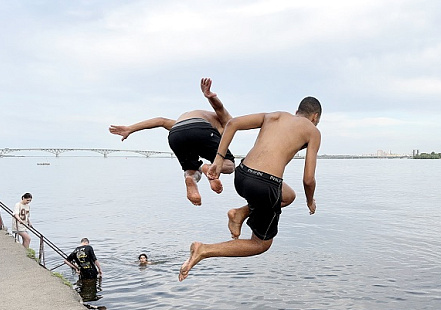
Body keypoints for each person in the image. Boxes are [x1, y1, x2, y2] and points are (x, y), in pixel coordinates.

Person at [179, 97, 322, 281]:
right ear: (315, 117)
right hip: (264, 185)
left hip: (242, 175)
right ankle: (204, 250)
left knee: (288, 196)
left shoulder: (274, 115)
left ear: (297, 111)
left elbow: (232, 123)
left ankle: (239, 213)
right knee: (260, 244)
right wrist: (310, 201)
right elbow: (309, 179)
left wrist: (219, 159)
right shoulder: (313, 131)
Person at [109, 78, 236, 206]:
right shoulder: (229, 123)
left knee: (190, 169)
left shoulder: (190, 117)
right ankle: (207, 168)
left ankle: (190, 179)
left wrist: (130, 128)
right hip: (201, 128)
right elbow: (220, 109)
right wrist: (210, 97)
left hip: (176, 133)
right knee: (229, 164)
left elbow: (161, 121)